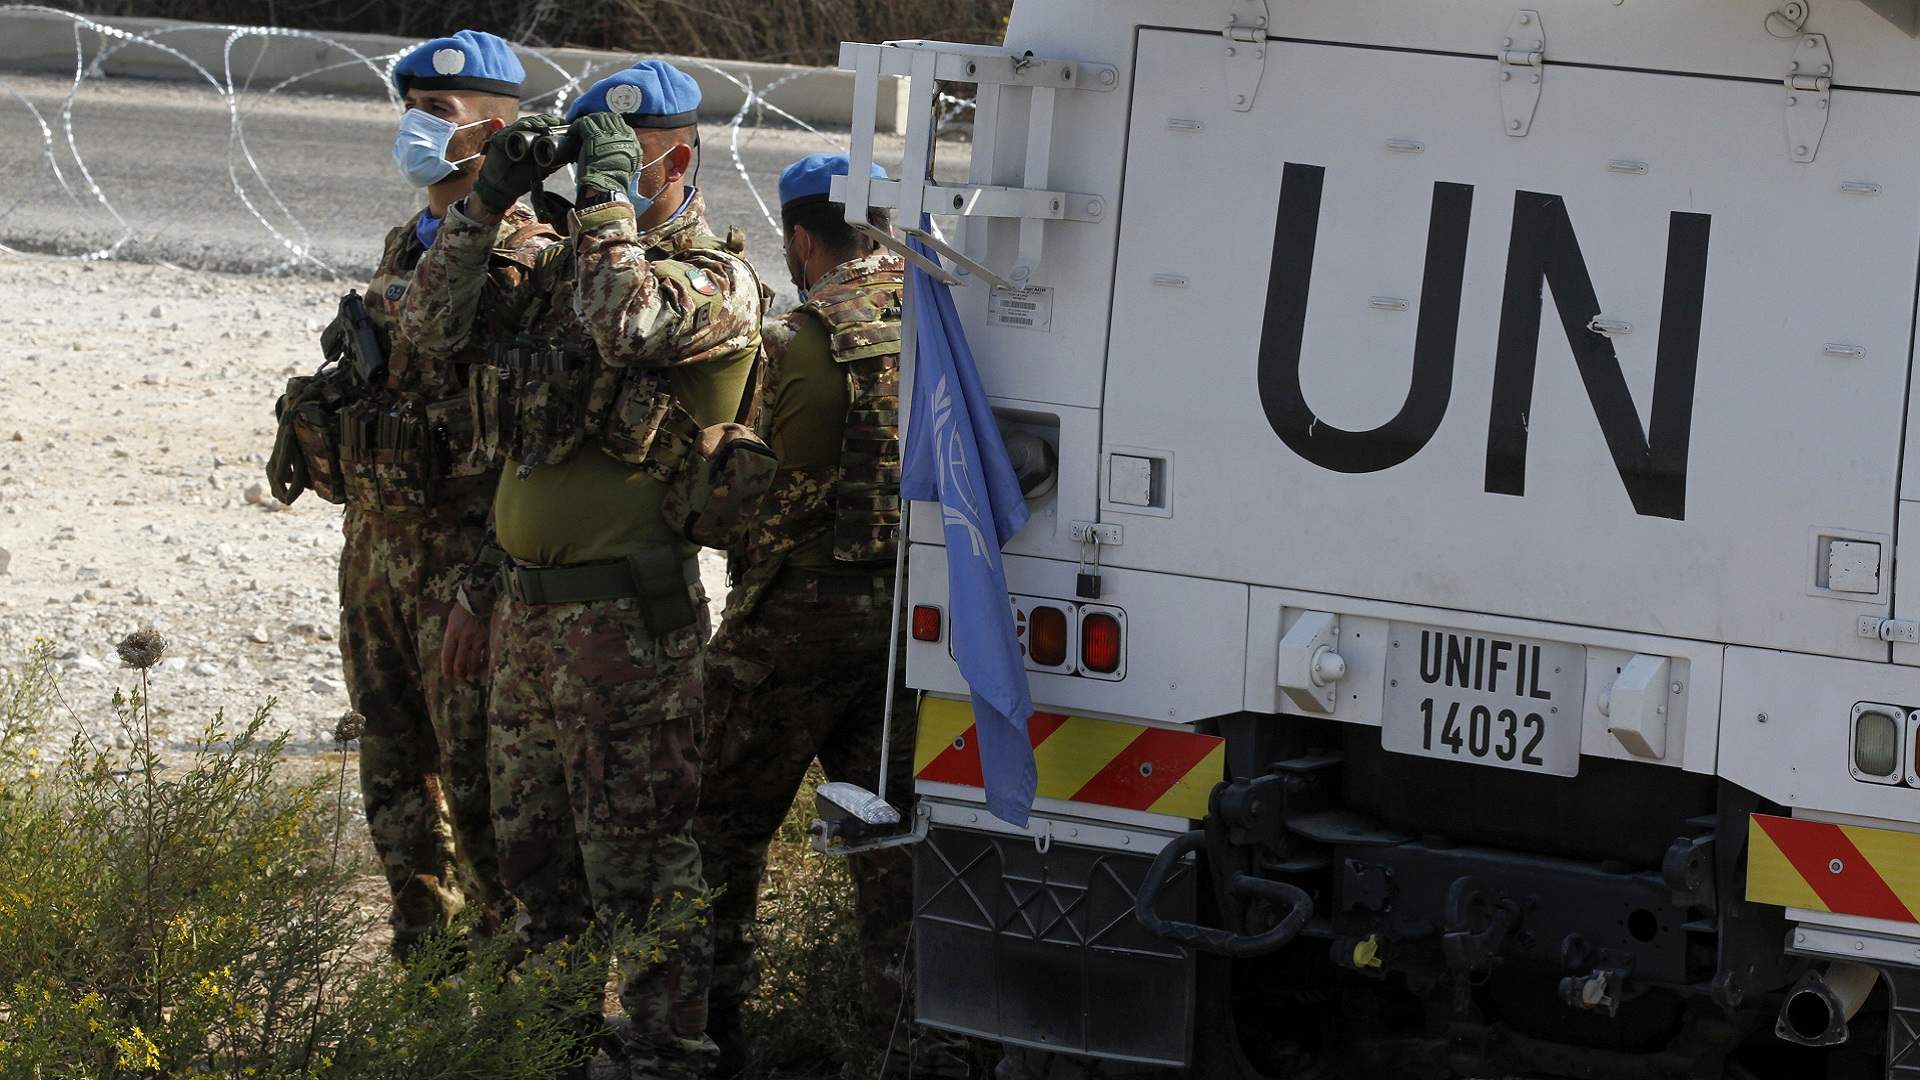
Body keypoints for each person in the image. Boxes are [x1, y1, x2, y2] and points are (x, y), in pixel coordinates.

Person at [402, 60, 763, 1080]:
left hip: (628, 630)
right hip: (526, 619)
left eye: (626, 160)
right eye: (597, 162)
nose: (602, 183)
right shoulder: (565, 272)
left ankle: (666, 1058)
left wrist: (608, 198)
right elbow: (431, 334)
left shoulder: (716, 282)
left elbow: (628, 322)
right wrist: (487, 198)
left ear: (677, 161)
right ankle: (555, 1050)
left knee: (640, 871)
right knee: (533, 870)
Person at [693, 152, 923, 1076]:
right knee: (894, 848)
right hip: (910, 629)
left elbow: (744, 505)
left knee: (715, 831)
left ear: (801, 236)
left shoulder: (799, 337)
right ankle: (909, 1044)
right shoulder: (946, 317)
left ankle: (713, 1037)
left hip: (792, 626)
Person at [336, 28, 552, 960]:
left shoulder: (533, 257)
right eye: (409, 111)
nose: (415, 130)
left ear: (496, 130)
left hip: (465, 572)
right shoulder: (407, 238)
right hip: (378, 555)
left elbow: (543, 444)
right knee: (392, 780)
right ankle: (425, 977)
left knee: (481, 800)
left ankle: (506, 1011)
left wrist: (489, 584)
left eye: (437, 115)